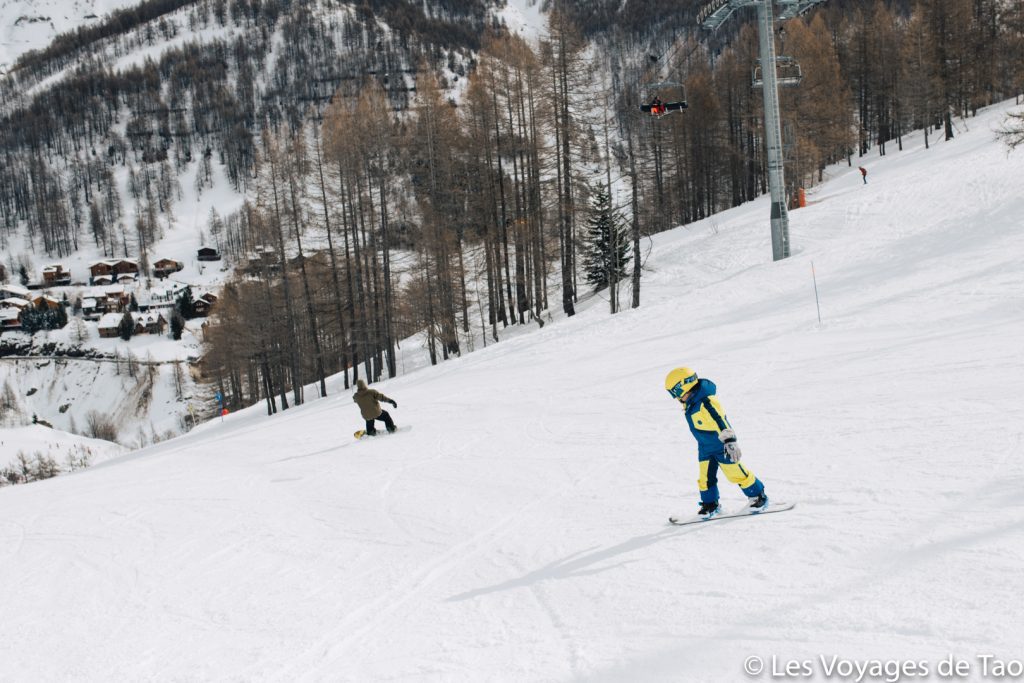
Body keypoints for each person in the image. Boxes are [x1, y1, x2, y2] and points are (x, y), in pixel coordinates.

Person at [665, 367, 767, 518]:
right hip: (705, 448)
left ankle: (758, 497)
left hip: (721, 446)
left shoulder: (707, 402)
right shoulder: (691, 403)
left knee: (735, 473)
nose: (676, 398)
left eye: (676, 393)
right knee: (705, 479)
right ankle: (710, 505)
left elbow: (720, 420)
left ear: (684, 386)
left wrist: (730, 441)